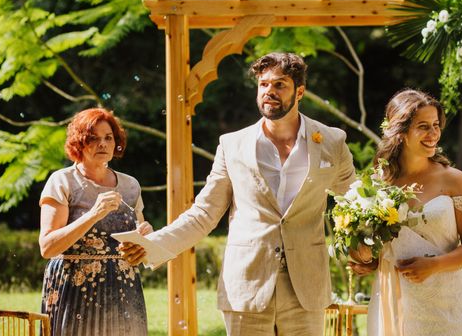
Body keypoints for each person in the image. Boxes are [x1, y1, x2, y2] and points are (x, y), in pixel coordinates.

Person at [120, 52, 355, 336]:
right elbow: (204, 214)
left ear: (300, 91)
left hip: (307, 287)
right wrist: (152, 244)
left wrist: (366, 250)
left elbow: (354, 204)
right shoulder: (232, 145)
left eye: (279, 84)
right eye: (263, 84)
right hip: (246, 286)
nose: (269, 91)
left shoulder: (332, 141)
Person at [351, 88, 462, 336]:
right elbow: (365, 248)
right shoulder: (377, 184)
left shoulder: (455, 180)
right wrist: (364, 257)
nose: (433, 133)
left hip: (446, 303)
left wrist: (434, 265)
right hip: (393, 296)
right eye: (423, 126)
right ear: (400, 133)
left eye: (436, 125)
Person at [39, 108, 152, 336]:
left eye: (108, 137)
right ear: (79, 143)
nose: (102, 143)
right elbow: (47, 247)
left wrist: (146, 238)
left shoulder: (131, 186)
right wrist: (94, 214)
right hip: (75, 290)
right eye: (93, 138)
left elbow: (139, 243)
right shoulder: (62, 181)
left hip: (124, 289)